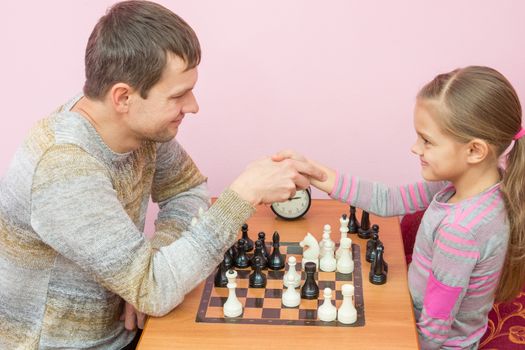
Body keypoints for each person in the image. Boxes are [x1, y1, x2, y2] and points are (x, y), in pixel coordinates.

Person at [0, 1, 326, 349]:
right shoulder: (63, 168)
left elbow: (186, 189)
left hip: (131, 332)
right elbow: (155, 292)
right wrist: (241, 198)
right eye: (178, 95)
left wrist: (148, 267)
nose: (193, 106)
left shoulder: (136, 128)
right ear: (123, 97)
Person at [274, 66, 525, 349]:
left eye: (427, 140)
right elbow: (389, 200)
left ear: (474, 151)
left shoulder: (460, 229)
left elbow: (436, 326)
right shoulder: (469, 186)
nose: (415, 148)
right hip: (418, 319)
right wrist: (315, 172)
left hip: (431, 341)